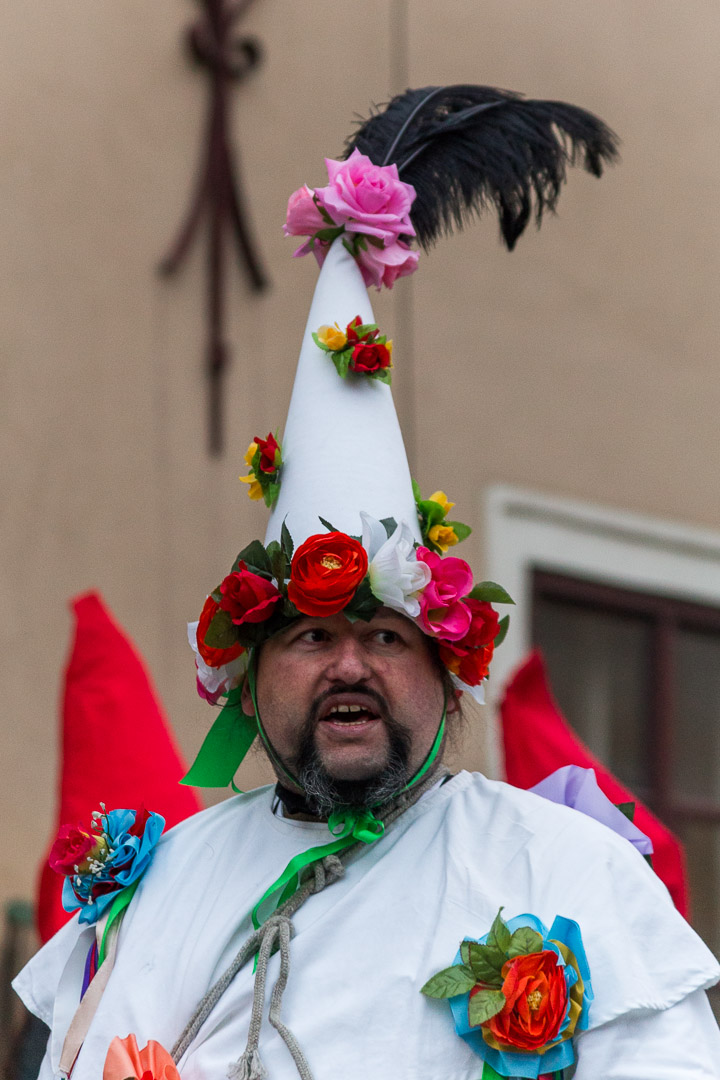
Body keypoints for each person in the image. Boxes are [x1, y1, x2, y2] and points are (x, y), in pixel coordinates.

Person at [14, 85, 720, 1079]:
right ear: (249, 680)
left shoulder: (561, 867)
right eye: (309, 636)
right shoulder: (159, 885)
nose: (350, 662)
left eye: (385, 636)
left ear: (446, 667)